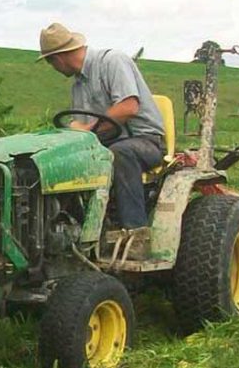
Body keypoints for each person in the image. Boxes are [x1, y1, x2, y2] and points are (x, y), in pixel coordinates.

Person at [37, 23, 166, 231]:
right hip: (105, 142)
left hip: (145, 141)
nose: (54, 68)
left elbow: (128, 107)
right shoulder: (78, 85)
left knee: (120, 153)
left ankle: (135, 231)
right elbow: (83, 128)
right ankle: (71, 228)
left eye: (51, 63)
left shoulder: (112, 62)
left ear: (58, 58)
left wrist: (87, 129)